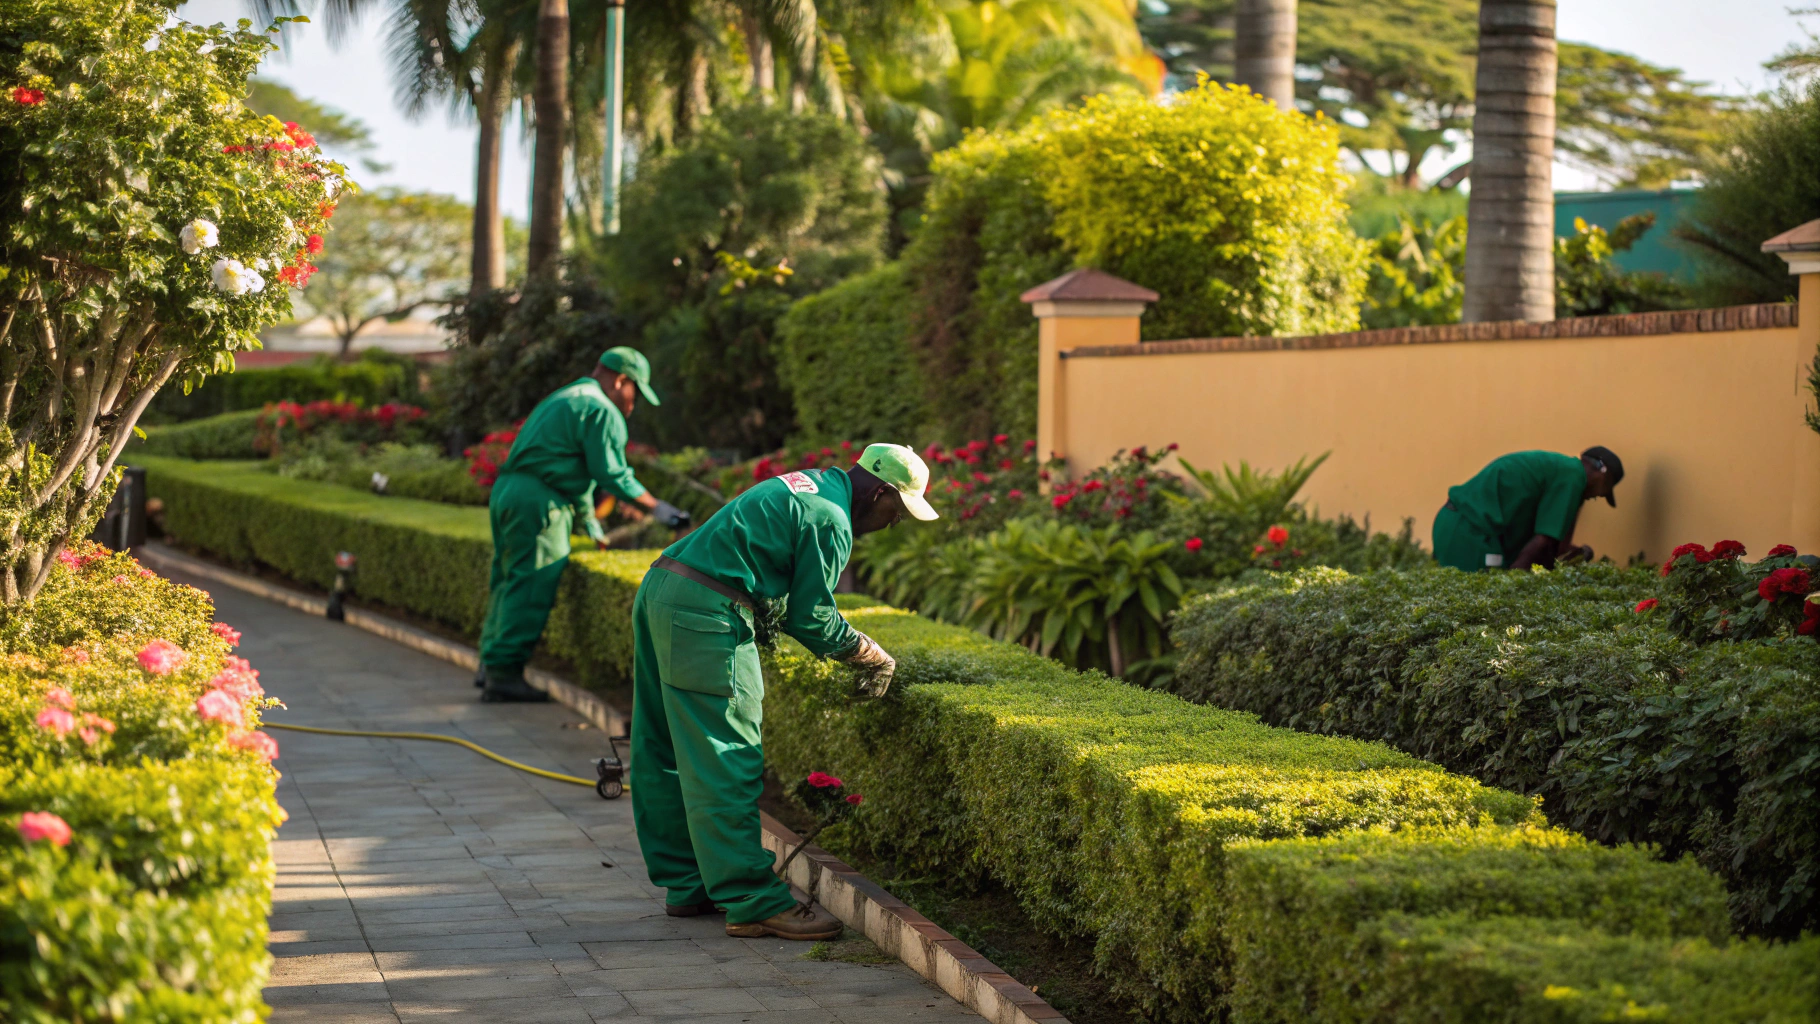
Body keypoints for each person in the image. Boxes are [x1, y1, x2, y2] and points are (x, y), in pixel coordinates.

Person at [630, 443, 937, 940]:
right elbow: (811, 617)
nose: (894, 523)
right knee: (727, 757)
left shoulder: (814, 483)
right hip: (708, 614)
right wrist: (867, 652)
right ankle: (752, 899)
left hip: (664, 590)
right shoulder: (832, 518)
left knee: (663, 747)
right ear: (879, 491)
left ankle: (688, 883)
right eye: (897, 511)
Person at [476, 347, 690, 702]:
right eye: (634, 392)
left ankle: (491, 663)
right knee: (532, 582)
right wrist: (665, 511)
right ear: (621, 380)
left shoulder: (569, 396)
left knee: (507, 577)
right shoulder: (601, 409)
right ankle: (504, 674)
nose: (633, 404)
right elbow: (613, 475)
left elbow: (574, 470)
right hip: (541, 501)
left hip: (511, 492)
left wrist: (591, 523)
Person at [1432, 446, 1623, 572]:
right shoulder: (1573, 476)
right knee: (1480, 607)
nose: (1596, 497)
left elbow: (1555, 546)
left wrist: (1576, 554)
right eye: (1604, 491)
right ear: (1602, 473)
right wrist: (1516, 583)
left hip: (1455, 524)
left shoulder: (1562, 471)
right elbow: (1543, 540)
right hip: (1468, 533)